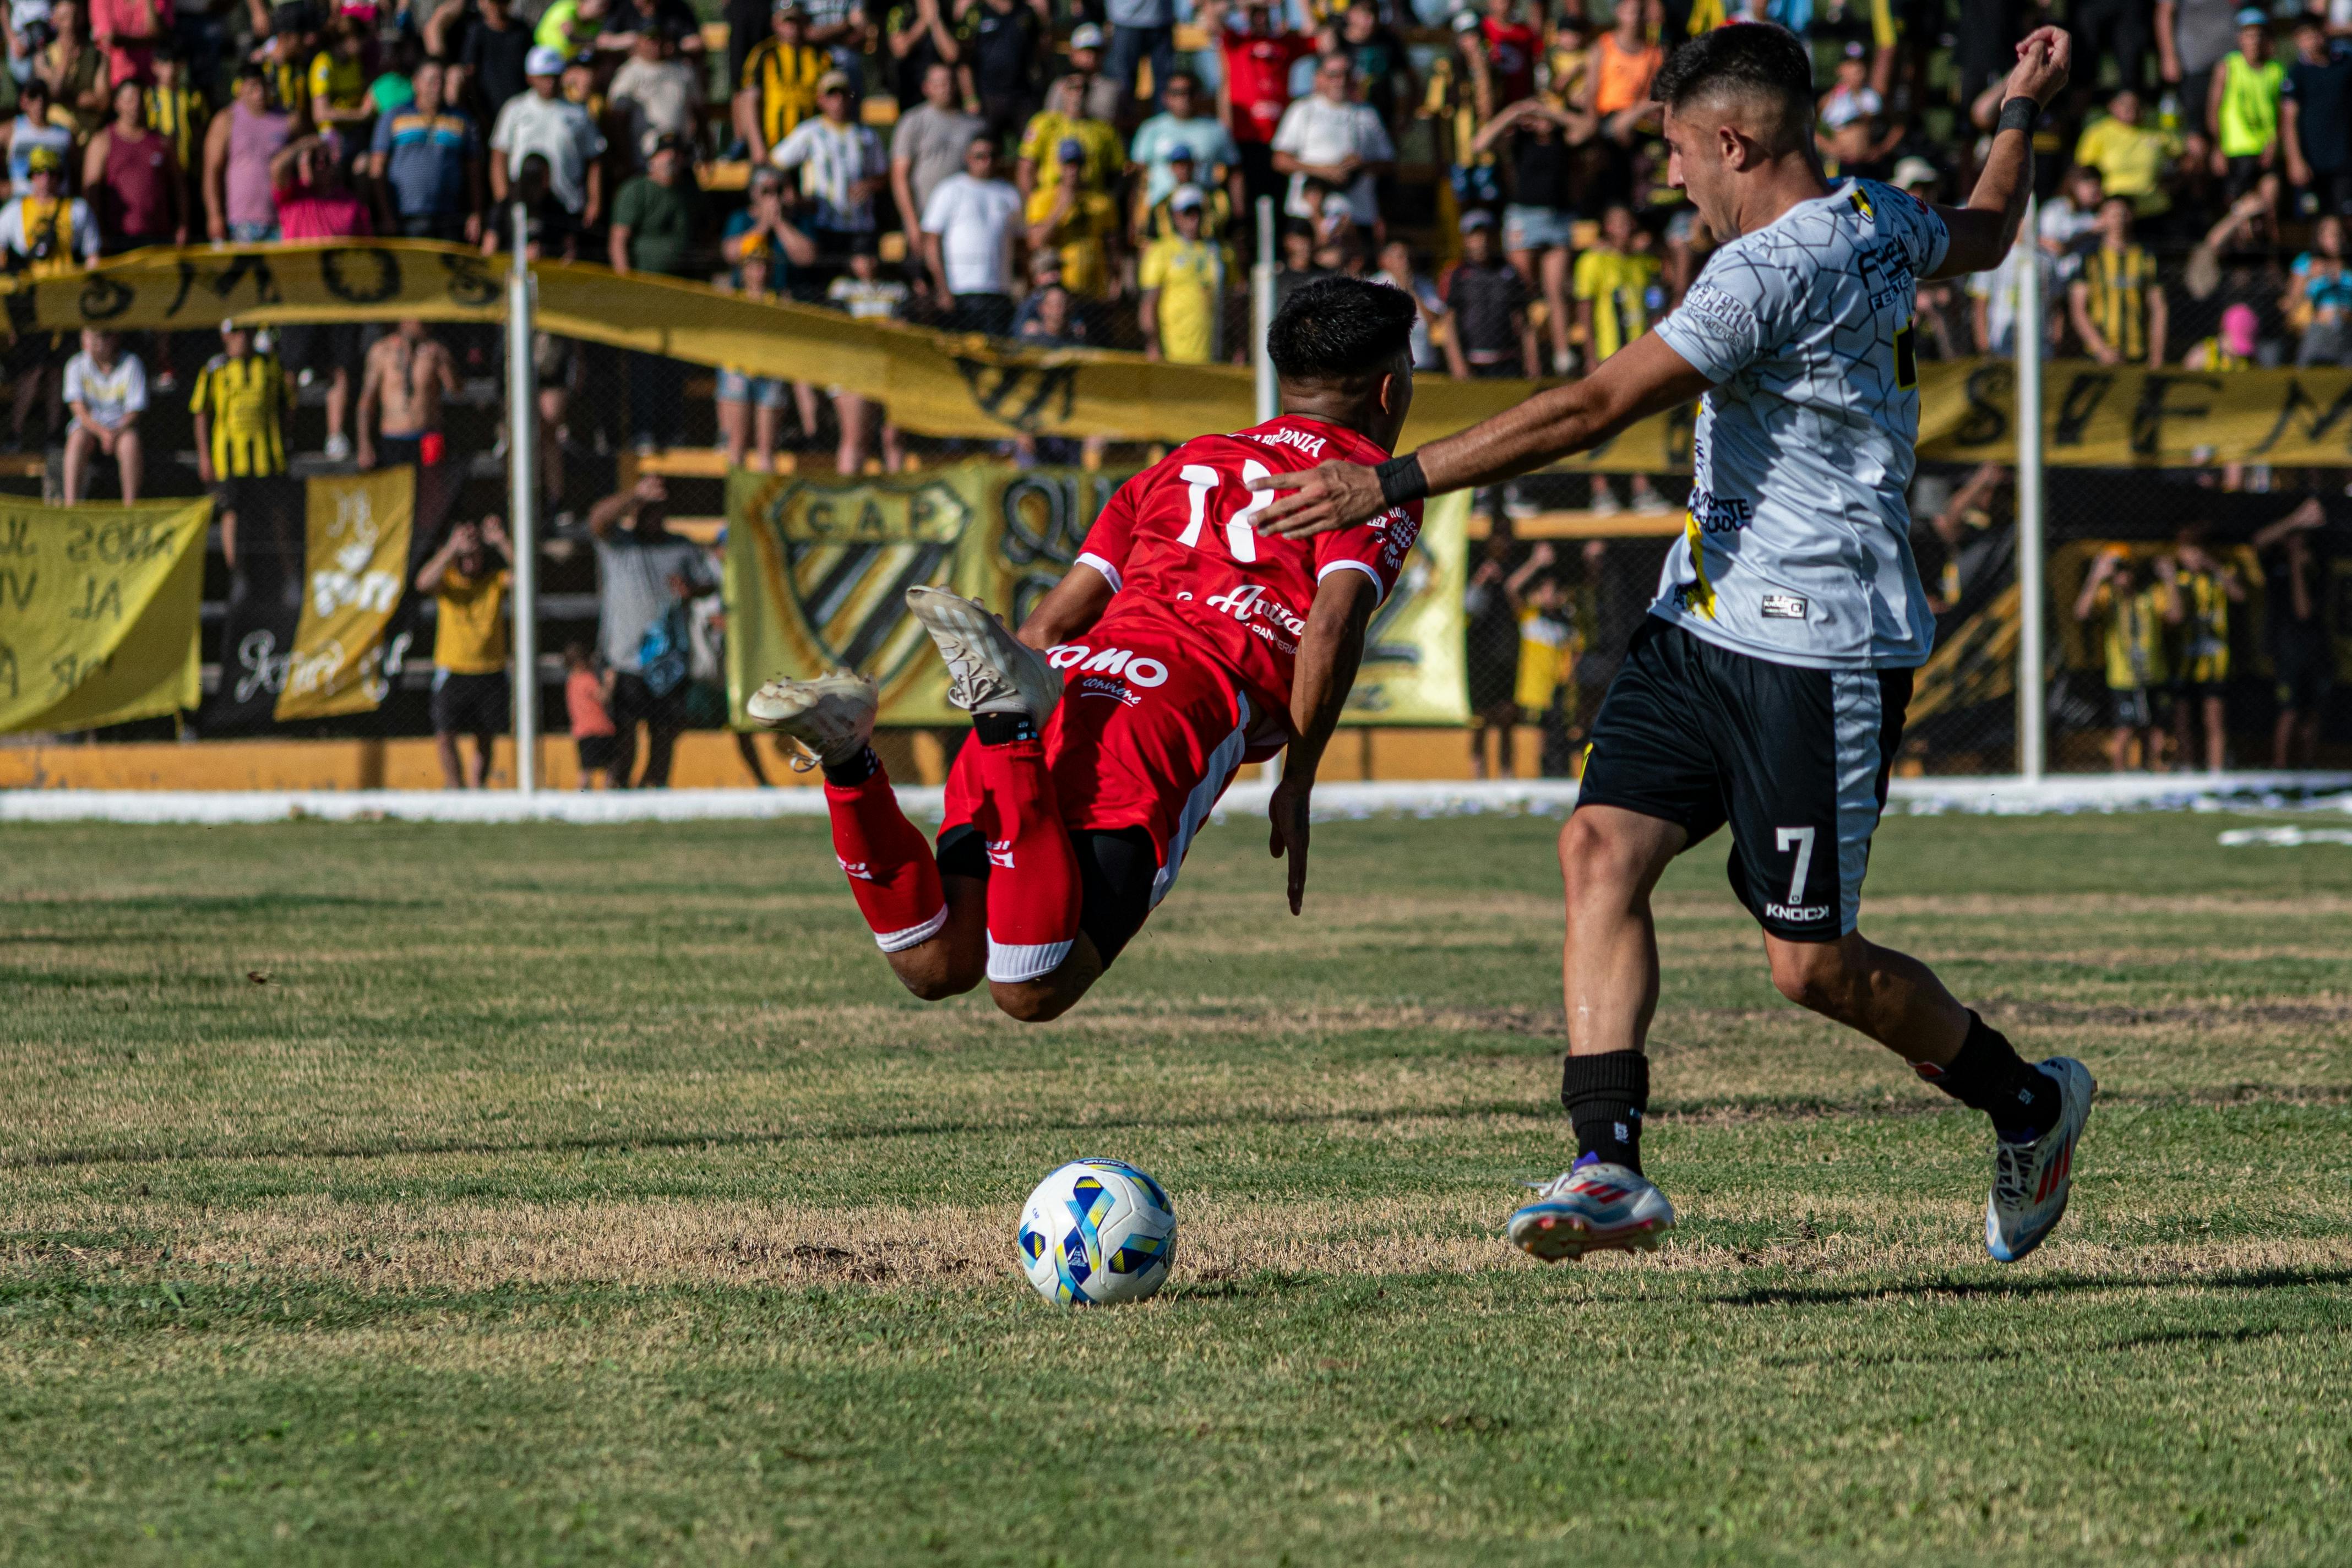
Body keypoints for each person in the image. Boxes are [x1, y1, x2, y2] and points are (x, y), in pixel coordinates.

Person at [1248, 24, 2094, 1266]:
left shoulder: (1765, 273)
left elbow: (1590, 407)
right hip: (1701, 615)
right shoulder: (1875, 214)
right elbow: (1988, 230)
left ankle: (2030, 1102)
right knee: (1597, 846)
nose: (1675, 180)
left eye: (1681, 154)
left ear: (1735, 142)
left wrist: (1391, 481)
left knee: (1810, 968)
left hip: (1821, 647)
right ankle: (1606, 1165)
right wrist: (2018, 110)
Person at [745, 274, 1424, 1024]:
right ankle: (1003, 724)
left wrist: (1020, 708)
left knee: (937, 963)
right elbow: (1331, 626)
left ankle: (849, 759)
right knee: (1032, 987)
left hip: (1064, 686)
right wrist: (1298, 781)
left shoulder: (1182, 464)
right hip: (1165, 713)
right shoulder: (1368, 486)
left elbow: (1045, 632)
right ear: (1390, 390)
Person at [585, 473, 717, 790]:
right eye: (646, 508)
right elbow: (596, 520)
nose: (653, 515)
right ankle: (617, 791)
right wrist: (635, 493)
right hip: (626, 660)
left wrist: (691, 590)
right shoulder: (618, 544)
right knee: (624, 735)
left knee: (663, 734)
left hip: (668, 660)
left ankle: (654, 792)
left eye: (658, 508)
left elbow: (708, 584)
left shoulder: (681, 547)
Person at [1471, 94, 1587, 376]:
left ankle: (1562, 357)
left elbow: (1587, 127)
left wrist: (1551, 113)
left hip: (1558, 218)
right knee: (1521, 292)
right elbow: (1479, 144)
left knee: (1556, 289)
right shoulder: (1518, 142)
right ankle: (1526, 357)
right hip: (1524, 218)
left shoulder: (1564, 140)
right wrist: (1515, 111)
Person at [609, 131, 705, 451]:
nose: (672, 159)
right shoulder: (635, 191)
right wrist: (627, 289)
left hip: (679, 295)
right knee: (644, 365)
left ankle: (673, 429)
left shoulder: (690, 193)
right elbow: (619, 242)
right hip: (644, 294)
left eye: (677, 153)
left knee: (675, 365)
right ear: (650, 159)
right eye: (665, 153)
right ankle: (644, 432)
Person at [718, 164, 813, 470]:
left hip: (779, 337)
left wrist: (781, 225)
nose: (774, 197)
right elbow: (731, 253)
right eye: (766, 191)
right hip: (742, 340)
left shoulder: (797, 220)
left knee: (766, 450)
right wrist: (762, 226)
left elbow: (807, 256)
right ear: (753, 194)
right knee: (736, 446)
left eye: (779, 190)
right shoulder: (740, 220)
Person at [415, 515, 514, 790]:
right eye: (465, 557)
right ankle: (454, 788)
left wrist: (502, 542)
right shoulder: (447, 581)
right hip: (453, 669)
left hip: (490, 670)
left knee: (485, 737)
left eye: (476, 556)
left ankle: (476, 789)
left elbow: (528, 576)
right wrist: (451, 549)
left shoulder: (494, 581)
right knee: (445, 734)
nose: (470, 563)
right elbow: (422, 583)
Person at [189, 318, 288, 571]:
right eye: (235, 332)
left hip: (268, 454)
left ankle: (289, 570)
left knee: (277, 512)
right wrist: (205, 456)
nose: (241, 337)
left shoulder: (269, 364)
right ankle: (237, 575)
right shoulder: (214, 369)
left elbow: (286, 403)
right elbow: (201, 412)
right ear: (224, 336)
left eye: (246, 330)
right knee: (231, 510)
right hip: (229, 456)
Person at [2073, 547, 2176, 772]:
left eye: (2126, 570)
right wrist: (2096, 577)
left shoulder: (2149, 597)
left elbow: (2176, 616)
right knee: (2125, 730)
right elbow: (2081, 613)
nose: (2123, 577)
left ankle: (2155, 774)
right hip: (2124, 678)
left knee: (2157, 730)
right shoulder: (2109, 599)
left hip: (2153, 674)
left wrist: (2170, 580)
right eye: (2118, 572)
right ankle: (2120, 780)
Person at [1270, 53, 1393, 237]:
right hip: (1308, 213)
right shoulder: (1304, 110)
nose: (1341, 82)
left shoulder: (1368, 114)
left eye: (1347, 75)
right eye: (1333, 75)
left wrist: (1362, 165)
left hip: (1356, 215)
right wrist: (1324, 171)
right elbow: (1280, 160)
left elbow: (1389, 163)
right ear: (1319, 78)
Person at [489, 44, 606, 226]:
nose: (550, 82)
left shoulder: (579, 113)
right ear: (530, 78)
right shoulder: (515, 109)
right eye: (544, 77)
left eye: (555, 76)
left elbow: (594, 160)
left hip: (568, 204)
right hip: (522, 207)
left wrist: (595, 201)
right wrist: (503, 199)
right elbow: (499, 156)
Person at [1210, 0, 1311, 209]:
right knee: (1243, 201)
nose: (1260, 18)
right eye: (1255, 13)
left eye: (1265, 13)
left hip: (1279, 139)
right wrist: (1247, 3)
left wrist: (1303, 5)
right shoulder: (1236, 42)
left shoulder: (1285, 45)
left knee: (1279, 201)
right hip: (1245, 135)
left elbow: (1318, 37)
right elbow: (1213, 17)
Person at [770, 68, 886, 249]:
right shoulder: (810, 133)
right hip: (821, 222)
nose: (838, 99)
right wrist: (790, 191)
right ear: (821, 100)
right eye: (832, 94)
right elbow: (776, 162)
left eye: (843, 93)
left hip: (859, 224)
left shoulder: (867, 136)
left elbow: (883, 175)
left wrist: (869, 185)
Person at [369, 58, 482, 241]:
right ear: (416, 83)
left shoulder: (462, 120)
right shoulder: (394, 117)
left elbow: (474, 171)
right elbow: (377, 167)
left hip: (449, 217)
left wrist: (476, 213)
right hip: (405, 215)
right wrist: (385, 214)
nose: (437, 87)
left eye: (441, 81)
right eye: (432, 81)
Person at [2160, 524, 2243, 772]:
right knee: (2182, 719)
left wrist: (2214, 567)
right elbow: (2172, 618)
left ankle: (2216, 771)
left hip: (2215, 661)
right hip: (2184, 662)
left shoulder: (2220, 575)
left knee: (2214, 720)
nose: (2193, 557)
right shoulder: (2177, 580)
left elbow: (2239, 596)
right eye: (2188, 551)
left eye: (2197, 551)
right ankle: (2187, 767)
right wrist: (2170, 581)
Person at [922, 129, 1021, 335]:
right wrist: (942, 288)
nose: (987, 161)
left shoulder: (1009, 194)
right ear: (968, 158)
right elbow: (932, 241)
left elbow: (1020, 244)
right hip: (961, 290)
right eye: (980, 156)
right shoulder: (950, 190)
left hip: (999, 291)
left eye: (992, 156)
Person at [2255, 499, 2330, 768]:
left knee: (2312, 713)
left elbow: (2303, 611)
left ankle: (2306, 768)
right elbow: (2259, 540)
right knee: (2288, 710)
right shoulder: (2276, 563)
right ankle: (2280, 769)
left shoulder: (2317, 566)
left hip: (2315, 647)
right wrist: (2296, 519)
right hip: (2286, 649)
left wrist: (2299, 564)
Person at [825, 237, 907, 472]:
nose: (867, 263)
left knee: (894, 439)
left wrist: (872, 329)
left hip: (890, 370)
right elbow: (842, 328)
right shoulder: (841, 288)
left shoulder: (896, 289)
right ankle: (849, 499)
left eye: (871, 256)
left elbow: (906, 327)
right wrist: (885, 328)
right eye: (861, 257)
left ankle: (895, 498)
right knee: (856, 438)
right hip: (853, 370)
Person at [83, 74, 181, 248]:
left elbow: (179, 187)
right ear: (117, 104)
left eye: (140, 99)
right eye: (129, 100)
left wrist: (183, 224)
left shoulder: (162, 142)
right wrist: (97, 235)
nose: (135, 105)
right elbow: (91, 193)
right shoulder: (102, 141)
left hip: (160, 239)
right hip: (118, 240)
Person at [2069, 194, 2166, 365]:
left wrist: (2156, 356)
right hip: (2097, 355)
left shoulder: (2146, 257)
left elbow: (2158, 307)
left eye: (2124, 214)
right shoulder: (2090, 258)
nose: (2119, 220)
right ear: (2103, 218)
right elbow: (2078, 310)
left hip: (2137, 352)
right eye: (2113, 214)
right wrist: (2102, 349)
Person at [889, 58, 979, 240]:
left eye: (950, 82)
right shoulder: (913, 122)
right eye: (939, 83)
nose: (946, 88)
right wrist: (912, 223)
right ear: (926, 88)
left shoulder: (975, 126)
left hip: (963, 222)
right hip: (924, 220)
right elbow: (899, 176)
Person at [1136, 183, 1228, 363]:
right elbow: (1149, 303)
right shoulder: (1161, 251)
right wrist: (1153, 345)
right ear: (1176, 216)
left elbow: (1233, 300)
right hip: (1173, 353)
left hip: (1213, 352)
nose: (1194, 218)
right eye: (1188, 212)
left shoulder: (1217, 252)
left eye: (1198, 212)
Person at [1128, 70, 1237, 219]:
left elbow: (1235, 172)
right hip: (1160, 214)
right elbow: (1137, 177)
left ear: (1199, 95)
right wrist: (1133, 222)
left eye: (1190, 92)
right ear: (1166, 97)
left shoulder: (1216, 130)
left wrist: (1238, 215)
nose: (1184, 98)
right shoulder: (1150, 129)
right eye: (1177, 92)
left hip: (1203, 214)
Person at [356, 318, 458, 473]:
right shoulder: (382, 351)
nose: (423, 323)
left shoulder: (435, 352)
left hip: (428, 437)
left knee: (431, 491)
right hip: (394, 437)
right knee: (397, 491)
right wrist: (364, 444)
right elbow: (366, 402)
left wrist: (444, 361)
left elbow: (455, 389)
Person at [203, 64, 289, 241]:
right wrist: (215, 215)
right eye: (253, 88)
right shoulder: (227, 119)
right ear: (242, 88)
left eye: (264, 86)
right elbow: (212, 171)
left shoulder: (286, 120)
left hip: (281, 221)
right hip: (241, 223)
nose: (260, 94)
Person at [1444, 208, 1532, 378]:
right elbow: (1449, 321)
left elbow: (1523, 320)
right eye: (1475, 236)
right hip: (1472, 365)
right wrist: (1458, 363)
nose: (1482, 241)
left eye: (1486, 235)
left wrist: (1531, 360)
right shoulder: (1458, 275)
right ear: (1465, 240)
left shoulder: (1510, 273)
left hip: (1508, 364)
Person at [2280, 14, 2352, 221]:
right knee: (2315, 220)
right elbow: (2288, 120)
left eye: (2315, 33)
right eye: (2305, 36)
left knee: (2345, 219)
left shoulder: (2346, 65)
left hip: (2344, 160)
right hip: (2312, 163)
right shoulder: (2296, 74)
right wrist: (2295, 160)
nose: (2312, 40)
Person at [61, 326, 143, 503]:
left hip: (121, 428)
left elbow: (134, 410)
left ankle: (131, 507)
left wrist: (114, 433)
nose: (96, 343)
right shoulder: (75, 365)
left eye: (102, 337)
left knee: (130, 443)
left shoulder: (132, 363)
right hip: (88, 426)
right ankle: (70, 505)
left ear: (115, 339)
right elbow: (78, 411)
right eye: (90, 337)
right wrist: (102, 433)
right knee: (76, 440)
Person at [607, 19, 700, 172]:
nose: (656, 44)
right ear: (639, 42)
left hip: (682, 156)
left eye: (660, 38)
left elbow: (699, 112)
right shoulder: (629, 73)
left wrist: (707, 149)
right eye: (651, 40)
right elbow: (618, 120)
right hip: (644, 161)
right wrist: (625, 158)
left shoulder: (683, 71)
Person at [736, 1, 826, 155]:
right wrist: (757, 147)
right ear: (775, 23)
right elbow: (749, 101)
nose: (792, 26)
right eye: (787, 21)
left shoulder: (820, 56)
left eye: (796, 21)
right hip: (773, 149)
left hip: (812, 150)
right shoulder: (764, 55)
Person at [957, 0, 1048, 144]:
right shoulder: (976, 13)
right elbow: (963, 60)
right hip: (987, 97)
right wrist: (970, 97)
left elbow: (1040, 53)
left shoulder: (1027, 13)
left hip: (1022, 96)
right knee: (985, 151)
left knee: (1032, 148)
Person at [1375, 238, 1464, 379]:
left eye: (1409, 257)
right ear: (1385, 261)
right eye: (1400, 257)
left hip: (1425, 365)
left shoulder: (1425, 286)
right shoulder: (1375, 287)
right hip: (1390, 368)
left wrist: (1410, 291)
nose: (1406, 262)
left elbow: (1436, 323)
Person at [882, 0, 957, 113]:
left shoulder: (946, 10)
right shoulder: (899, 11)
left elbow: (952, 55)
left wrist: (935, 21)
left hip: (943, 90)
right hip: (911, 91)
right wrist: (924, 21)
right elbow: (901, 50)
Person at [564, 640, 619, 788]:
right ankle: (609, 792)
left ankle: (582, 795)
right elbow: (604, 698)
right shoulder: (588, 680)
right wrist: (610, 682)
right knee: (611, 766)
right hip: (600, 730)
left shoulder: (571, 682)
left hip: (582, 732)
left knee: (586, 769)